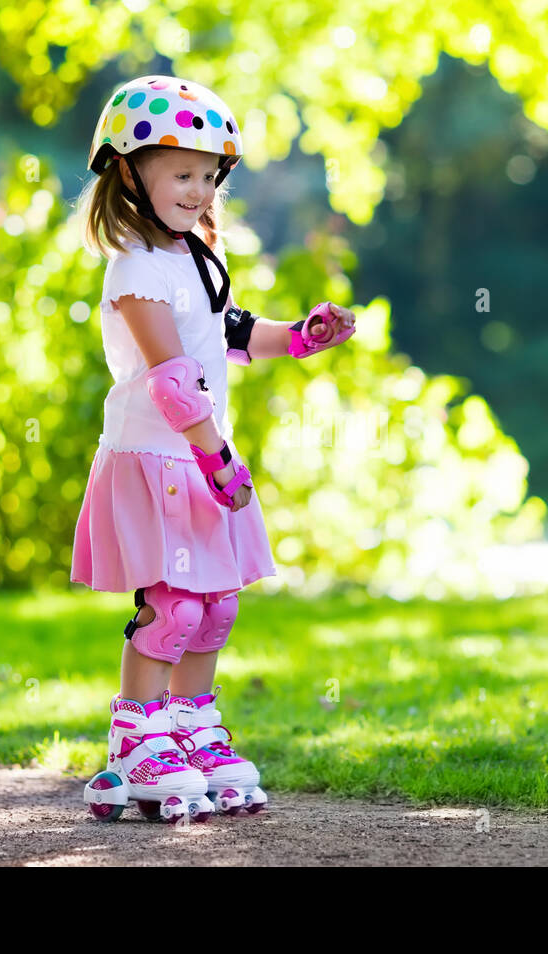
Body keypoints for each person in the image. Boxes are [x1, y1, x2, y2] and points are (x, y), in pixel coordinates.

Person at [72, 75, 356, 824]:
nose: (199, 191)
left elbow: (229, 333)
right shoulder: (135, 268)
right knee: (170, 603)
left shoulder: (195, 259)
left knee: (215, 605)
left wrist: (299, 338)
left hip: (199, 454)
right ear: (129, 173)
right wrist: (217, 457)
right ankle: (136, 739)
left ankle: (191, 727)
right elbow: (171, 382)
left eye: (208, 175)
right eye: (182, 174)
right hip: (160, 456)